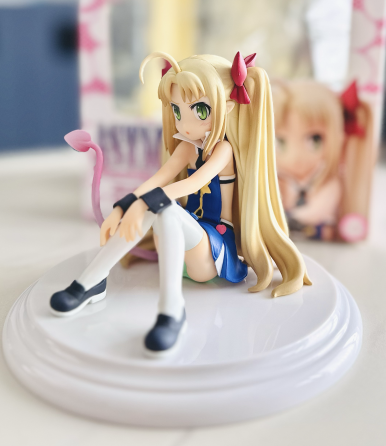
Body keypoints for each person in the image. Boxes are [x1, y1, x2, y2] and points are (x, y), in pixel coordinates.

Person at [50, 52, 311, 357]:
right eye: (176, 110)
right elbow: (157, 179)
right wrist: (121, 208)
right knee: (162, 210)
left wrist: (141, 205)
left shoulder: (223, 151)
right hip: (179, 244)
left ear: (226, 107)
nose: (185, 124)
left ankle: (172, 311)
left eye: (199, 110)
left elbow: (191, 184)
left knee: (165, 209)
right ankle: (90, 282)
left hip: (212, 250)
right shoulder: (187, 147)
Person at [272, 79, 373, 241]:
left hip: (311, 228)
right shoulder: (279, 178)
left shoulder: (327, 182)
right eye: (280, 142)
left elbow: (319, 209)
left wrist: (290, 218)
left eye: (315, 140)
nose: (296, 156)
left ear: (339, 138)